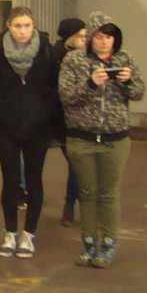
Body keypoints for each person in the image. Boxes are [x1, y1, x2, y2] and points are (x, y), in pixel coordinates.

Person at [58, 11, 145, 267]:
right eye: (99, 37)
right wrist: (90, 84)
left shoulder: (124, 59)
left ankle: (108, 244)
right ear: (90, 39)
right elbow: (66, 97)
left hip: (115, 139)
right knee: (87, 192)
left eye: (109, 37)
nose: (105, 42)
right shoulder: (74, 60)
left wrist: (128, 82)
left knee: (109, 193)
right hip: (82, 138)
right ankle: (88, 243)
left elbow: (139, 92)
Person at [0, 7, 62, 258]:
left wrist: (45, 111)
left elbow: (56, 86)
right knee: (10, 181)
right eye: (17, 26)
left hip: (38, 128)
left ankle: (29, 234)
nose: (22, 31)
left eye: (27, 25)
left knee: (35, 180)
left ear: (33, 26)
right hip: (7, 128)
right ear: (9, 26)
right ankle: (10, 233)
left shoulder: (45, 52)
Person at [53, 17, 86, 226]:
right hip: (62, 121)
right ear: (69, 38)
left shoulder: (84, 56)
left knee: (78, 166)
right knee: (77, 165)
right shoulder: (58, 57)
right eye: (80, 36)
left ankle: (70, 207)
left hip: (79, 120)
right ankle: (73, 206)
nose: (85, 40)